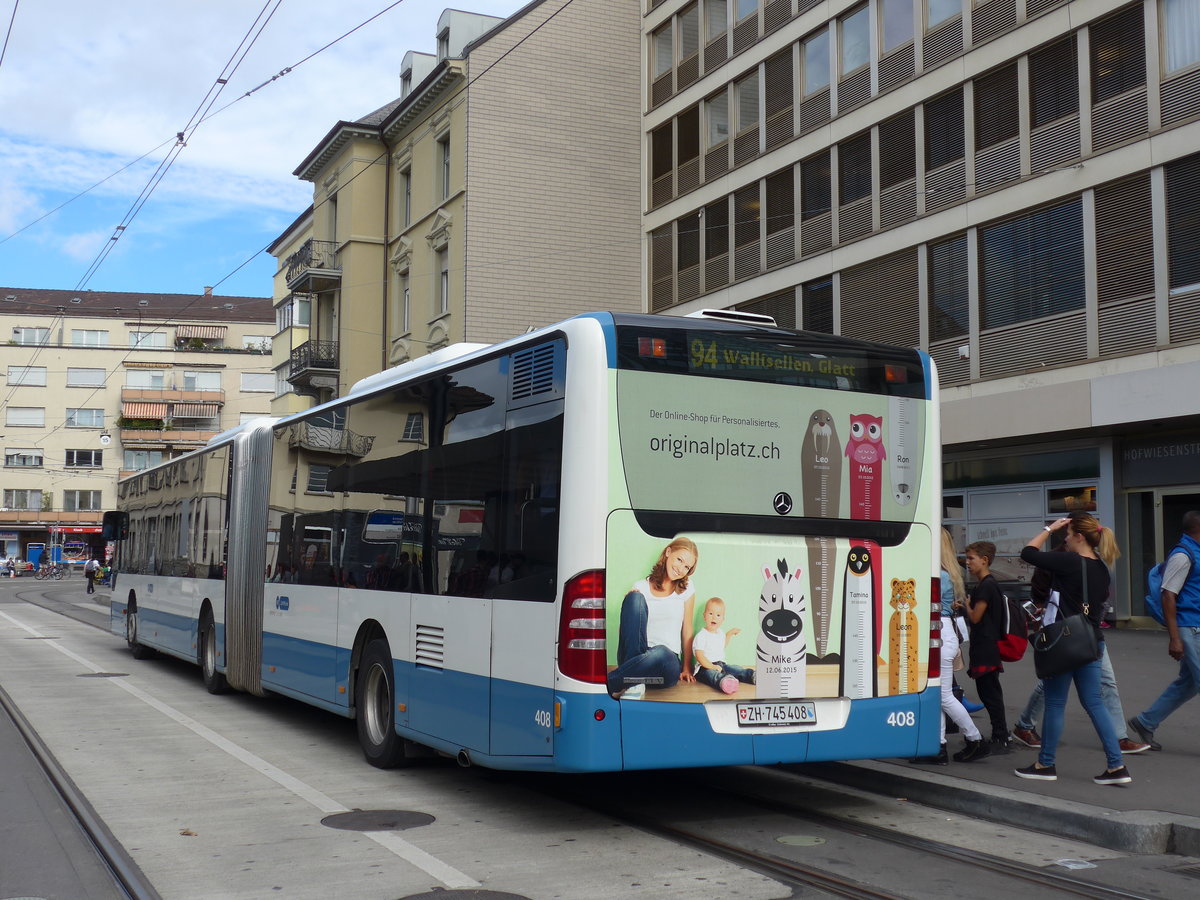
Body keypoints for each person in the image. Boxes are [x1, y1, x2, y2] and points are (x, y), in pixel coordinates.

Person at [1015, 513, 1131, 785]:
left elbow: (1028, 553)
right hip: (1091, 642)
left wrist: (1048, 528)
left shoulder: (1069, 561)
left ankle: (1045, 764)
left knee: (1055, 703)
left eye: (1067, 534)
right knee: (1094, 703)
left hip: (1064, 644)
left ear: (1079, 536)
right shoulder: (1102, 567)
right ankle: (1117, 766)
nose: (1064, 538)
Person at [1012, 548, 1148, 754]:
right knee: (1056, 688)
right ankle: (1028, 731)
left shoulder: (1092, 563)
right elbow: (1037, 575)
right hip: (1065, 632)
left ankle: (1118, 739)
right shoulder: (1064, 561)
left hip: (1085, 633)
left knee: (1101, 684)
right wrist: (1043, 605)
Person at [1128, 510, 1200, 752]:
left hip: (1195, 626)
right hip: (1189, 628)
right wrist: (1175, 639)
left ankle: (1145, 721)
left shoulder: (1195, 553)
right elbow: (1168, 595)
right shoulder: (1183, 555)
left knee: (1188, 684)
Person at [914, 529, 988, 764]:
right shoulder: (950, 572)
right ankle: (939, 746)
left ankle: (975, 739)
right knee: (939, 694)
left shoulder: (936, 573)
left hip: (938, 632)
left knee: (943, 695)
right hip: (946, 633)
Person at [607, 537, 699, 699]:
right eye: (679, 560)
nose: (680, 569)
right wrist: (630, 607)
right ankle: (634, 682)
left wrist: (686, 667)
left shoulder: (687, 589)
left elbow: (687, 629)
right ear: (668, 552)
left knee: (662, 652)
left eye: (687, 567)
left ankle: (612, 682)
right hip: (635, 656)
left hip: (664, 666)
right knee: (634, 599)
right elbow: (626, 633)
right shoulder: (640, 587)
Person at [956, 541, 1012, 755]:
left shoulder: (985, 586)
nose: (968, 563)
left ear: (984, 560)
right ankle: (1001, 733)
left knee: (989, 693)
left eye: (971, 558)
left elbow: (976, 617)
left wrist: (967, 606)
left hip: (985, 646)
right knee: (991, 692)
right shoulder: (990, 584)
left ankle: (1001, 735)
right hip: (989, 645)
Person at [692, 596, 755, 694]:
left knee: (735, 669)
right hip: (704, 667)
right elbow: (699, 656)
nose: (714, 617)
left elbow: (722, 645)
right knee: (712, 675)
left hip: (721, 664)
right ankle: (725, 682)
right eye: (710, 613)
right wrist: (712, 666)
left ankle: (752, 676)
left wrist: (729, 634)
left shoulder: (720, 633)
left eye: (718, 615)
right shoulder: (701, 635)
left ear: (722, 619)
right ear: (704, 616)